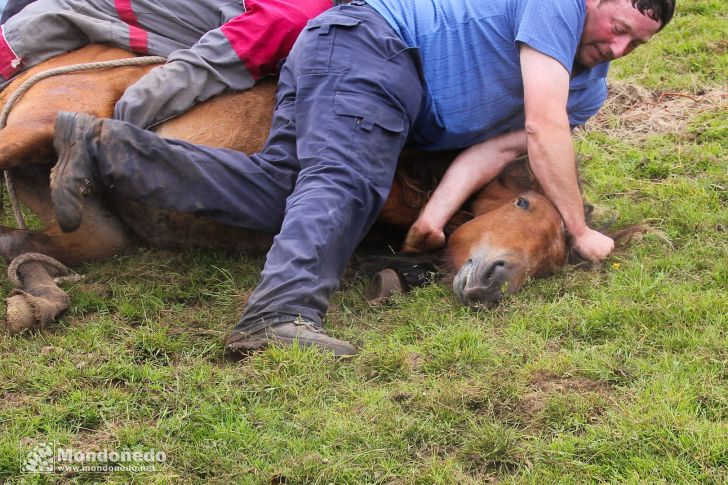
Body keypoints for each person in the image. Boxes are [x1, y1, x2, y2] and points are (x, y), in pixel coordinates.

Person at [47, 0, 674, 356]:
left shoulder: (586, 89)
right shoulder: (556, 6)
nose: (618, 50)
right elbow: (542, 130)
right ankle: (278, 313)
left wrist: (433, 217)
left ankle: (105, 148)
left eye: (635, 48)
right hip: (374, 47)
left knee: (282, 195)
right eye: (619, 29)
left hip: (362, 65)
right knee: (347, 183)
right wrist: (580, 227)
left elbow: (495, 154)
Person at [0, 0, 338, 128]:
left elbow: (207, 66)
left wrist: (123, 118)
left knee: (56, 9)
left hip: (90, 14)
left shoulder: (293, 15)